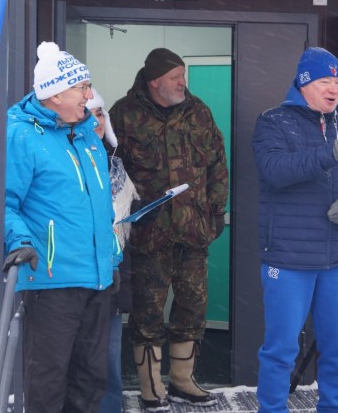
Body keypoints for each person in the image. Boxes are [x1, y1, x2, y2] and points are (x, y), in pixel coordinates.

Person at [0, 42, 121, 412]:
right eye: (82, 87)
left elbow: (99, 208)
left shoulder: (87, 135)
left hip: (97, 280)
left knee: (90, 382)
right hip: (51, 281)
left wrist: (111, 257)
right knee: (48, 385)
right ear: (55, 93)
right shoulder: (21, 135)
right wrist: (17, 240)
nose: (90, 96)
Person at [251, 47, 338, 413]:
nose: (334, 89)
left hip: (336, 260)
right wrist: (331, 153)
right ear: (304, 83)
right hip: (288, 258)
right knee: (281, 350)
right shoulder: (274, 121)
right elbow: (275, 170)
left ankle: (334, 408)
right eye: (325, 81)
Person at [109, 48, 229, 411]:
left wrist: (216, 211)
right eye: (176, 77)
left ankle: (182, 382)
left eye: (183, 76)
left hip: (193, 231)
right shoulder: (123, 114)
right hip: (149, 235)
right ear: (154, 81)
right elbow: (111, 171)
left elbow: (217, 163)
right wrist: (125, 213)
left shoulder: (198, 111)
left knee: (192, 308)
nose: (183, 83)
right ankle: (151, 389)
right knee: (147, 314)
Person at [90, 88, 140, 413]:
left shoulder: (115, 164)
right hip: (74, 277)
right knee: (78, 362)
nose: (96, 121)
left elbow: (123, 226)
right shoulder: (66, 163)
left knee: (109, 361)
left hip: (112, 273)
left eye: (100, 114)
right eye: (89, 113)